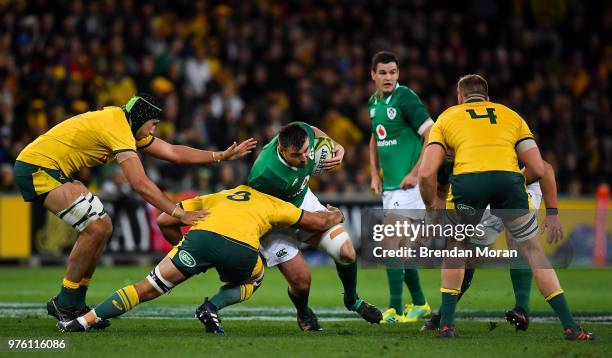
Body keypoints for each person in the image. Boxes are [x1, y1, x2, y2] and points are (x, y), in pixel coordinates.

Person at [13, 93, 256, 328]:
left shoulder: (125, 125)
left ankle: (73, 302)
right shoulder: (117, 126)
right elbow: (139, 183)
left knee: (102, 228)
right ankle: (66, 302)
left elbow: (173, 153)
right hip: (37, 168)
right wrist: (177, 213)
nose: (153, 130)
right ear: (140, 118)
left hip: (50, 169)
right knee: (96, 227)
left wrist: (220, 156)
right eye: (152, 124)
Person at [418, 74, 593, 340]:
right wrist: (507, 184)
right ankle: (570, 327)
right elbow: (537, 168)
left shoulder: (447, 117)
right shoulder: (512, 116)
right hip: (510, 181)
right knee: (533, 251)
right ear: (487, 98)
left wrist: (432, 209)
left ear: (460, 98)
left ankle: (446, 325)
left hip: (469, 181)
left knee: (457, 248)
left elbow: (425, 173)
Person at [56, 185, 345, 333]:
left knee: (146, 287)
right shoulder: (273, 202)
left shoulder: (221, 195)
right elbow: (317, 223)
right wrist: (337, 215)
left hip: (199, 241)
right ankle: (212, 306)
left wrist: (183, 249)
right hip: (240, 248)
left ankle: (81, 322)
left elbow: (163, 220)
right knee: (256, 278)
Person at [249, 122, 382, 331]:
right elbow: (279, 216)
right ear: (281, 150)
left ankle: (352, 299)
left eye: (306, 152)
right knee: (302, 282)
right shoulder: (265, 175)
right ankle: (304, 314)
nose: (305, 159)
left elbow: (310, 129)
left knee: (347, 252)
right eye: (297, 155)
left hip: (301, 202)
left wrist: (337, 145)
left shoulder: (300, 137)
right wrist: (327, 219)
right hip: (274, 222)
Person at [421, 159, 564, 332]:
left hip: (519, 187)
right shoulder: (453, 157)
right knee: (470, 258)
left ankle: (522, 308)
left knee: (516, 238)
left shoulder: (503, 146)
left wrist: (552, 213)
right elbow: (440, 191)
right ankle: (443, 315)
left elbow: (545, 169)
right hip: (489, 189)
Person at [368, 51, 432, 323]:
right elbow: (375, 137)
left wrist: (417, 172)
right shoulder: (373, 103)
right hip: (391, 188)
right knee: (402, 252)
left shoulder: (406, 98)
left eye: (393, 72)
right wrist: (374, 173)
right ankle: (420, 304)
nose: (388, 77)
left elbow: (431, 133)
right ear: (373, 75)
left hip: (409, 188)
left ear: (398, 74)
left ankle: (394, 308)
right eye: (383, 73)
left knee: (389, 243)